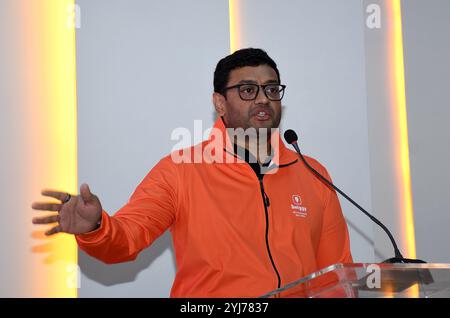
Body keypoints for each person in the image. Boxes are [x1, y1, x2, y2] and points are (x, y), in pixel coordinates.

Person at [32, 48, 352, 297]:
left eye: (271, 89)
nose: (263, 99)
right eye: (247, 90)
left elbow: (336, 274)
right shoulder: (181, 171)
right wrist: (96, 227)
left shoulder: (313, 173)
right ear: (220, 102)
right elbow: (127, 239)